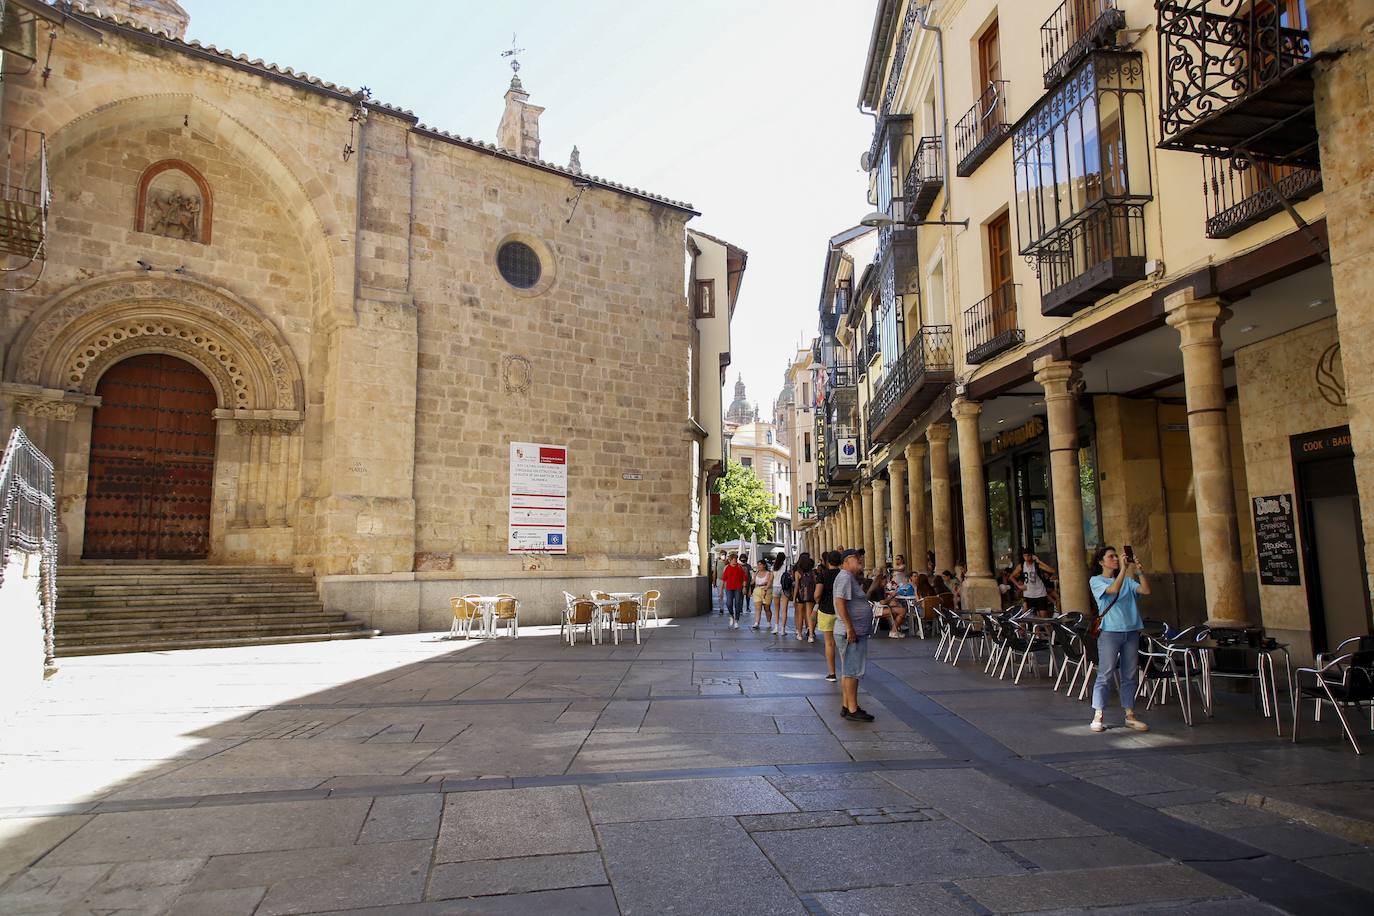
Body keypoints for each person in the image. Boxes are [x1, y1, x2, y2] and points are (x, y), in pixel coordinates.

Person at [1088, 545, 1151, 733]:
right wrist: (1124, 569)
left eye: (1117, 556)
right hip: (1110, 631)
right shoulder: (1096, 580)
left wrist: (1139, 570)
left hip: (1131, 630)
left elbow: (1146, 591)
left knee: (1130, 674)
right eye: (1111, 556)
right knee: (1105, 673)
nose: (1115, 559)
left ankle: (1130, 714)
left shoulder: (1128, 581)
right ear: (1101, 562)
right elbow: (1113, 590)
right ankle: (1098, 714)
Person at [833, 548, 875, 722]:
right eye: (857, 558)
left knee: (849, 671)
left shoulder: (849, 578)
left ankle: (847, 705)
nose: (861, 560)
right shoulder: (844, 577)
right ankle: (852, 709)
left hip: (852, 630)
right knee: (852, 671)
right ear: (847, 561)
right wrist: (850, 628)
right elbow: (840, 602)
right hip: (850, 631)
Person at [815, 551, 841, 681]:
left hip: (826, 610)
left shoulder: (822, 575)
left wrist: (817, 600)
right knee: (844, 643)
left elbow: (817, 594)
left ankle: (832, 673)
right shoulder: (844, 575)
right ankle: (847, 672)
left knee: (829, 643)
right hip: (842, 611)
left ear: (827, 562)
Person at [866, 566, 908, 638]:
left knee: (898, 608)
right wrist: (892, 596)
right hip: (879, 610)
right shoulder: (879, 589)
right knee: (902, 611)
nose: (886, 583)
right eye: (885, 581)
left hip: (876, 608)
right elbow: (882, 602)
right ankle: (894, 631)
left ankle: (895, 629)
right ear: (881, 581)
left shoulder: (876, 588)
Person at [1015, 548, 1056, 617]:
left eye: (1028, 555)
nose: (1027, 558)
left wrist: (1039, 561)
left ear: (1032, 556)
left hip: (1040, 593)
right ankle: (1032, 627)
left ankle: (1047, 627)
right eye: (1025, 556)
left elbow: (1052, 570)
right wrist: (1018, 586)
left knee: (1043, 617)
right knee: (1032, 617)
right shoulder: (1021, 566)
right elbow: (1012, 576)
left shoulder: (1036, 565)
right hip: (1029, 595)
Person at [793, 554, 817, 643]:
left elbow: (796, 586)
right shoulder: (812, 572)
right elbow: (815, 584)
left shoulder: (797, 572)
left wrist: (794, 597)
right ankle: (811, 635)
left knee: (800, 615)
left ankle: (799, 634)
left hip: (800, 596)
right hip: (810, 595)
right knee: (809, 615)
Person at [721, 553, 747, 628]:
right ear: (730, 560)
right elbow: (724, 579)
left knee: (737, 604)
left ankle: (736, 621)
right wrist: (721, 591)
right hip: (729, 588)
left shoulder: (739, 567)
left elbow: (744, 578)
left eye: (736, 559)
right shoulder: (727, 568)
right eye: (734, 559)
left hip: (738, 588)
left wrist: (744, 587)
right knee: (729, 603)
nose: (735, 560)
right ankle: (731, 615)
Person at [751, 559, 773, 631]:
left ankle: (769, 622)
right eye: (758, 564)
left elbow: (769, 582)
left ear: (764, 565)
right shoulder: (756, 573)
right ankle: (757, 622)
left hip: (767, 591)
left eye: (760, 564)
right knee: (758, 608)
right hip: (757, 590)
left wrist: (766, 589)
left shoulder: (769, 573)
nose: (759, 566)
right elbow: (753, 582)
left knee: (767, 608)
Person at [771, 553, 789, 636]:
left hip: (775, 588)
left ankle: (776, 627)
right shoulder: (786, 567)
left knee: (776, 609)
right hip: (784, 588)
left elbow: (771, 579)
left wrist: (767, 587)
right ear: (784, 559)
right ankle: (783, 629)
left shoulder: (773, 567)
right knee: (784, 610)